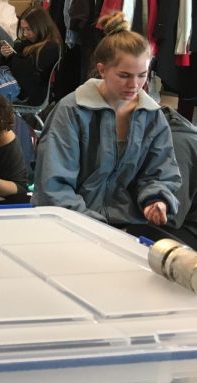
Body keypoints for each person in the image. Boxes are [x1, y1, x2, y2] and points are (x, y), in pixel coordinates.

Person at [33, 12, 181, 227]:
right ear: (102, 70)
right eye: (124, 75)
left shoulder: (152, 116)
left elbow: (160, 173)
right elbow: (53, 186)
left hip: (128, 225)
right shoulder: (71, 111)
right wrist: (98, 226)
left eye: (142, 75)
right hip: (72, 224)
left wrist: (155, 199)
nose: (134, 85)